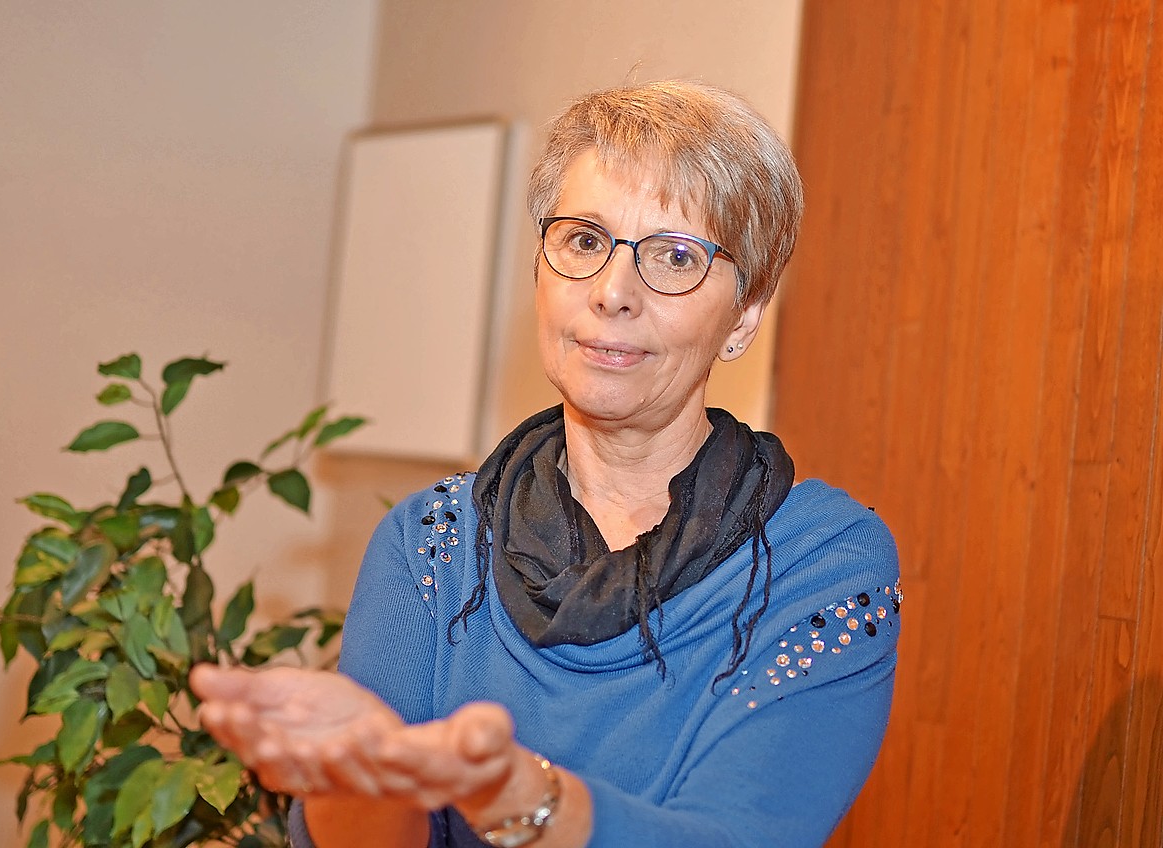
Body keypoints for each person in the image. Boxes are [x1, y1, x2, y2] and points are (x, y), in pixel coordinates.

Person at [192, 80, 901, 848]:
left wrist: (518, 795)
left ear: (746, 316)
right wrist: (358, 774)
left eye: (675, 255)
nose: (612, 292)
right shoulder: (430, 542)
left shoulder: (821, 561)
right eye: (586, 241)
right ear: (541, 269)